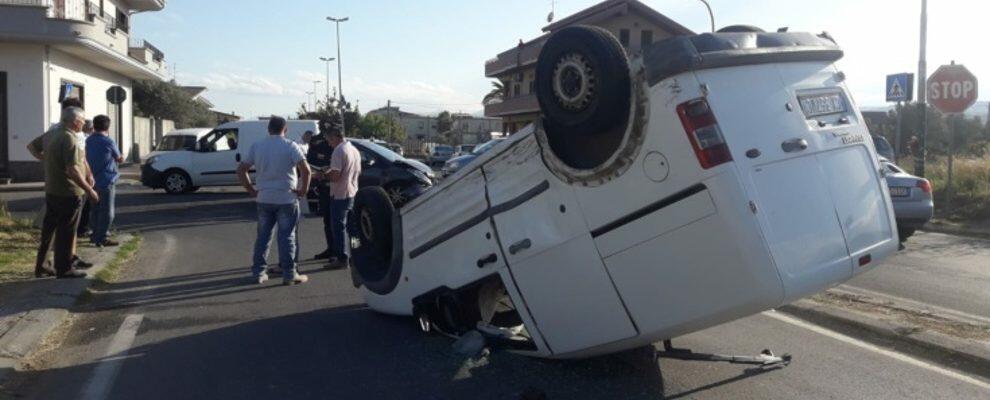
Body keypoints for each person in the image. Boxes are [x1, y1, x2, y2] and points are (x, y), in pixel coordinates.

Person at [237, 116, 312, 285]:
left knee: (263, 236)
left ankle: (258, 273)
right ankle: (289, 274)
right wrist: (303, 190)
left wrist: (250, 189)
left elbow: (242, 170)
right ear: (285, 129)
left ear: (268, 129)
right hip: (286, 197)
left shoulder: (257, 146)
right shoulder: (291, 146)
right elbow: (306, 170)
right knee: (287, 237)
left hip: (264, 197)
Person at [27, 98, 93, 277]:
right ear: (75, 121)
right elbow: (73, 170)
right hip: (68, 191)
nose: (84, 124)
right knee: (66, 231)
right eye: (83, 121)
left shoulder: (51, 133)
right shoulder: (70, 138)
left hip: (52, 189)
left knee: (48, 230)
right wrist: (89, 189)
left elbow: (31, 147)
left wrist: (45, 159)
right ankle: (64, 268)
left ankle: (41, 266)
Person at [319, 127, 361, 270]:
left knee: (338, 228)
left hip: (340, 194)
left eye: (329, 140)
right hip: (352, 192)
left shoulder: (338, 151)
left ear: (335, 137)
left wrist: (324, 175)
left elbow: (336, 176)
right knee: (353, 228)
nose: (329, 144)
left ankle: (342, 258)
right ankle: (358, 252)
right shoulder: (353, 149)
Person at [86, 115, 122, 247]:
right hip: (107, 180)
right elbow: (119, 158)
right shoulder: (108, 141)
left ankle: (94, 234)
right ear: (107, 126)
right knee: (107, 212)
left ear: (94, 126)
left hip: (91, 181)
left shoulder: (87, 141)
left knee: (94, 210)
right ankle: (102, 237)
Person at [306, 118, 337, 260]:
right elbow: (310, 158)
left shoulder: (341, 145)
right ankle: (331, 249)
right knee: (327, 220)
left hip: (338, 187)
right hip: (324, 185)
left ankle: (341, 252)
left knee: (338, 222)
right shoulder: (317, 142)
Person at [76, 119, 95, 237]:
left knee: (82, 205)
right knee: (85, 205)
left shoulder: (81, 138)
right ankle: (82, 229)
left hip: (83, 173)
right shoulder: (84, 139)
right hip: (84, 174)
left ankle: (81, 228)